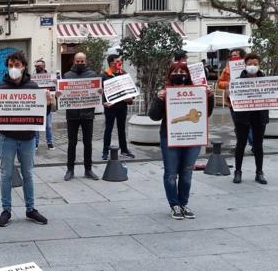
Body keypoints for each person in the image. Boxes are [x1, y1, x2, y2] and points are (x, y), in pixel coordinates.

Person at [0, 51, 50, 227]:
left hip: (27, 139)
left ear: (24, 66)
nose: (13, 68)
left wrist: (48, 103)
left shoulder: (34, 88)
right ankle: (6, 210)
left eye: (17, 65)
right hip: (7, 139)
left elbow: (43, 114)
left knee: (28, 174)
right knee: (6, 175)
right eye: (10, 65)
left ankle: (30, 209)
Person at [149, 62, 214, 220]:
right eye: (175, 71)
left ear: (188, 74)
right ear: (170, 74)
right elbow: (154, 116)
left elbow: (207, 113)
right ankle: (174, 205)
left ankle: (184, 203)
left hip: (192, 137)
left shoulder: (198, 91)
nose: (179, 74)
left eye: (182, 71)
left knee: (187, 172)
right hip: (170, 137)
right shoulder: (165, 92)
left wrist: (210, 98)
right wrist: (159, 99)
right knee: (171, 173)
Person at [62, 52, 99, 181]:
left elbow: (97, 93)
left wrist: (100, 92)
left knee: (87, 143)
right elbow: (62, 94)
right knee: (72, 143)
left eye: (82, 61)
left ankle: (88, 169)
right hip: (72, 115)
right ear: (74, 61)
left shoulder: (93, 75)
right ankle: (70, 169)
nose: (80, 63)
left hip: (88, 114)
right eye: (78, 61)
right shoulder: (67, 75)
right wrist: (58, 94)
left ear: (86, 61)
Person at [232, 53, 268, 185]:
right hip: (242, 116)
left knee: (258, 145)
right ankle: (238, 172)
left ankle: (259, 172)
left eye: (255, 64)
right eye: (250, 64)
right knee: (240, 144)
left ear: (259, 65)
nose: (252, 66)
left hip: (259, 115)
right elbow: (230, 99)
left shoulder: (266, 80)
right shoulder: (237, 80)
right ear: (245, 65)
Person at [101, 55, 135, 160]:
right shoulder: (104, 75)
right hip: (110, 107)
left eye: (120, 61)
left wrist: (131, 98)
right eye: (118, 61)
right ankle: (105, 151)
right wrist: (103, 102)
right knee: (108, 129)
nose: (120, 63)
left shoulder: (124, 74)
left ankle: (124, 150)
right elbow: (100, 92)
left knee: (121, 129)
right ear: (111, 63)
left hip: (122, 106)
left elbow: (129, 89)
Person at [218, 48, 253, 148]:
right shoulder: (226, 69)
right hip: (232, 100)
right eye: (232, 55)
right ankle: (240, 144)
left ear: (242, 57)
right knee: (238, 124)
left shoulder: (249, 67)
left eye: (237, 55)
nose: (234, 57)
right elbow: (220, 83)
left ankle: (253, 144)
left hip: (247, 99)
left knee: (248, 123)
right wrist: (228, 83)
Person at [34, 59, 55, 150]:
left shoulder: (50, 78)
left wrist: (55, 83)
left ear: (44, 66)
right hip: (36, 106)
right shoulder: (33, 78)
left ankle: (50, 142)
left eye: (40, 66)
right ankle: (36, 143)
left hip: (48, 105)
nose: (38, 68)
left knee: (48, 126)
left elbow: (55, 90)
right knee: (37, 126)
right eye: (36, 66)